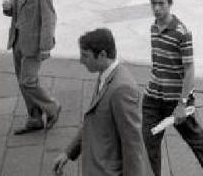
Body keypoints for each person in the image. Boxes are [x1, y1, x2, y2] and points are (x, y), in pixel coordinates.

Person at [141, 0, 203, 176]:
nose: (157, 8)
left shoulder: (182, 32)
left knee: (192, 134)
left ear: (170, 4)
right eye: (153, 4)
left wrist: (182, 103)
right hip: (153, 97)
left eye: (161, 4)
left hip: (175, 98)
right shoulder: (153, 27)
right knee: (148, 142)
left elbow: (189, 69)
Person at [52, 28, 146, 176]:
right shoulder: (105, 75)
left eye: (85, 56)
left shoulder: (122, 89)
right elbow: (93, 120)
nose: (81, 61)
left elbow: (133, 144)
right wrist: (68, 152)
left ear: (102, 55)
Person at [2, 0, 61, 135]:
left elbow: (49, 19)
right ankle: (34, 118)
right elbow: (15, 11)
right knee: (22, 82)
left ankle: (53, 107)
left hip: (34, 44)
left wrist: (45, 47)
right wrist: (8, 9)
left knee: (28, 81)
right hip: (17, 40)